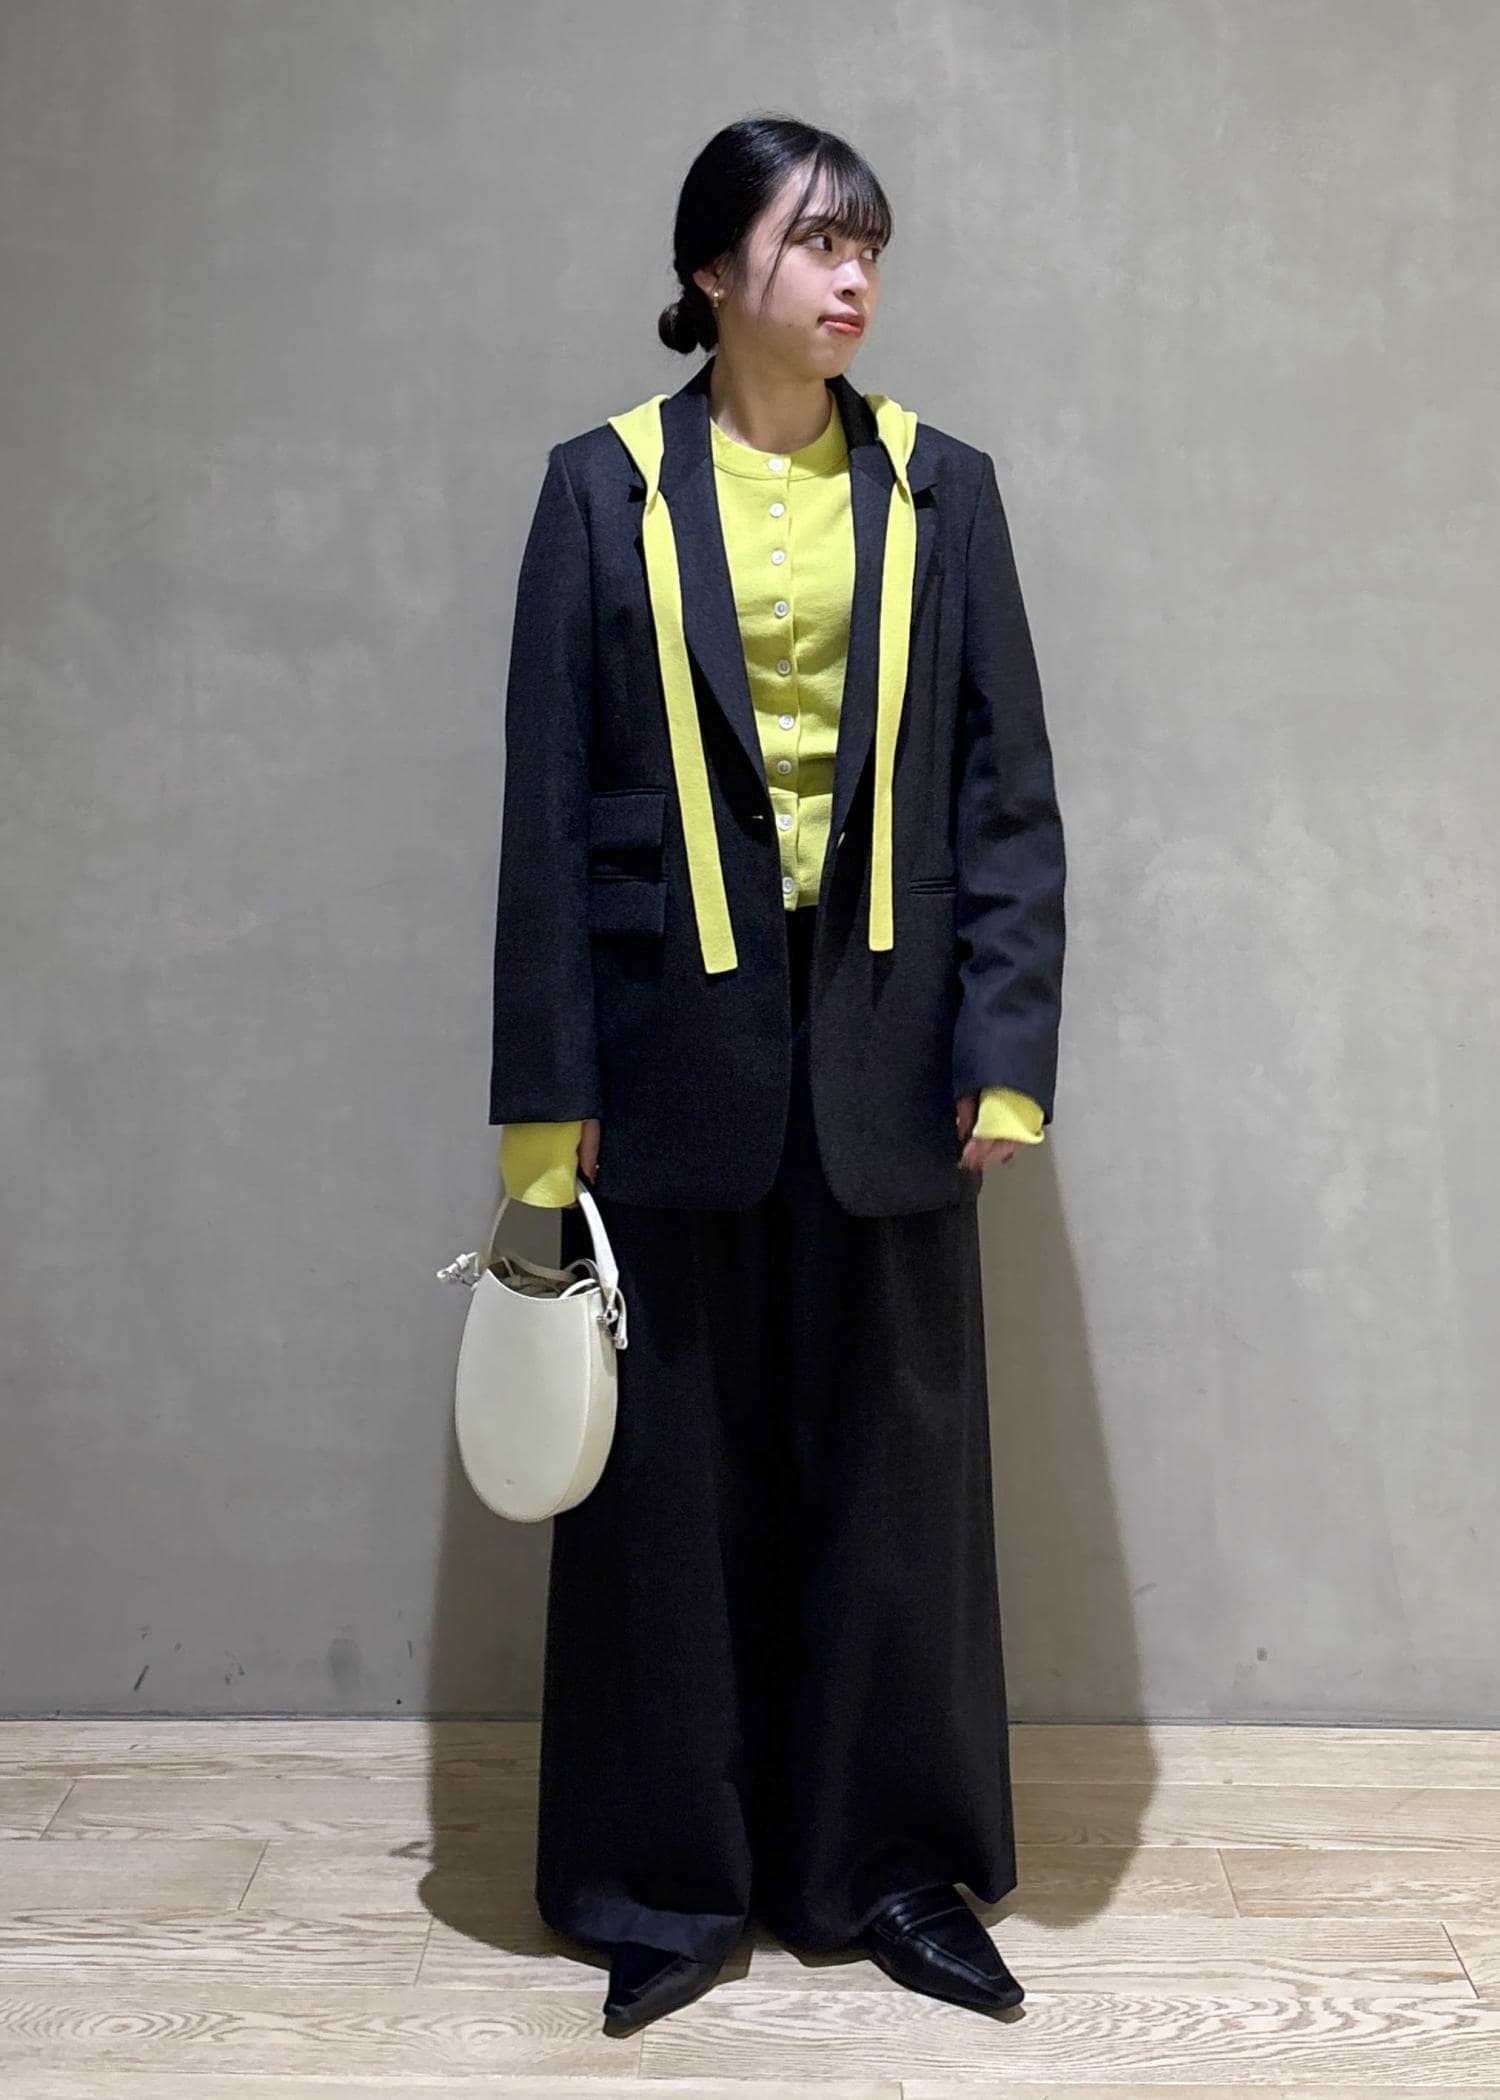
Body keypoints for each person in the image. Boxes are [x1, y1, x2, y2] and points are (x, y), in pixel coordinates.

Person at [488, 115, 1066, 2036]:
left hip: (893, 1053)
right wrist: (543, 1105)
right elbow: (544, 817)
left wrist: (1006, 1055)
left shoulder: (943, 487)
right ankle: (665, 1888)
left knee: (898, 1485)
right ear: (713, 269)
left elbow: (1005, 790)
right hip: (668, 1057)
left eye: (870, 245)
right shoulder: (599, 491)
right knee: (662, 1490)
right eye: (818, 242)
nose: (854, 277)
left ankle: (888, 1873)